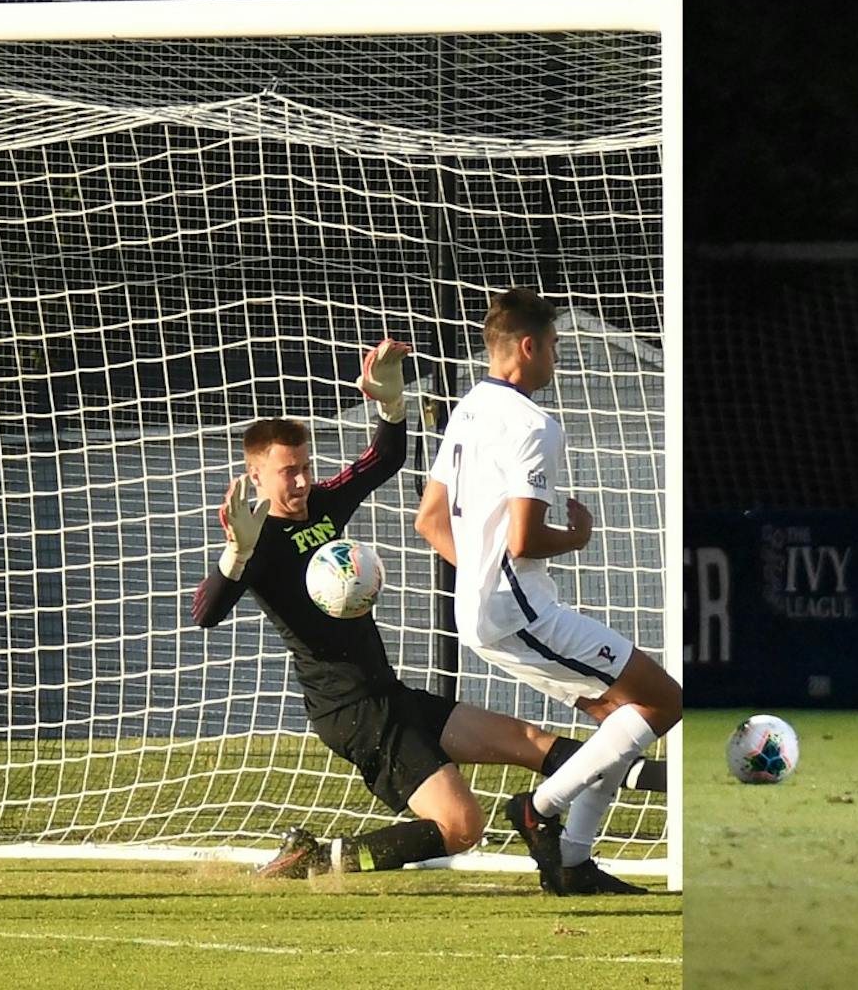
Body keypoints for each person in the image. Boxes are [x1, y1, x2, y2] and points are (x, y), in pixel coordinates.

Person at [191, 338, 660, 884]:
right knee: (462, 825)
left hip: (388, 694)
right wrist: (236, 554)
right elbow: (206, 613)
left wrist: (392, 407)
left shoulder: (320, 503)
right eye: (286, 472)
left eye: (303, 467)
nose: (299, 480)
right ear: (256, 478)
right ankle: (315, 863)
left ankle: (649, 780)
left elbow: (381, 461)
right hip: (352, 713)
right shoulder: (258, 542)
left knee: (528, 742)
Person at [416, 288, 682, 895]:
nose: (559, 359)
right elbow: (524, 540)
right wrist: (576, 537)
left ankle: (574, 864)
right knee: (665, 701)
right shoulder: (533, 424)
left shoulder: (470, 407)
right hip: (521, 610)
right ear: (528, 346)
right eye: (556, 346)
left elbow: (429, 520)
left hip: (485, 610)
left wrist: (481, 578)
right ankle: (538, 808)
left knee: (623, 718)